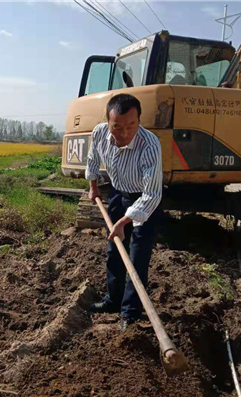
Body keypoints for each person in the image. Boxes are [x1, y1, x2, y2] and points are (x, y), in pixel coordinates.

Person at [86, 93, 163, 332]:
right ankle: (113, 301)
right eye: (117, 127)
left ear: (139, 121)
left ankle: (129, 313)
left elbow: (152, 194)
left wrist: (125, 220)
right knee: (114, 253)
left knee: (136, 258)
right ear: (108, 122)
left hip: (144, 201)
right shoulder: (99, 133)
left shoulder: (149, 145)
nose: (124, 133)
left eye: (131, 125)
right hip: (118, 194)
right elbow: (92, 158)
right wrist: (93, 186)